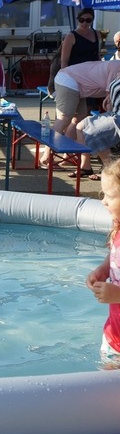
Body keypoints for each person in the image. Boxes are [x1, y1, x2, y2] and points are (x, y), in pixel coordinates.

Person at [86, 157, 120, 368]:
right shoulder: (118, 228)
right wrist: (103, 269)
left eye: (110, 195)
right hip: (113, 336)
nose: (103, 201)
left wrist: (117, 295)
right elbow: (115, 254)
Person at [51, 60, 120, 145]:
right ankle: (47, 154)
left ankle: (68, 151)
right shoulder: (117, 67)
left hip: (77, 83)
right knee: (63, 119)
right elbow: (109, 101)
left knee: (78, 118)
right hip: (68, 79)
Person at [71, 74, 120, 180]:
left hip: (117, 118)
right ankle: (85, 166)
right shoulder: (117, 69)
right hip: (114, 114)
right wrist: (110, 96)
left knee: (95, 133)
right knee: (81, 125)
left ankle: (112, 172)